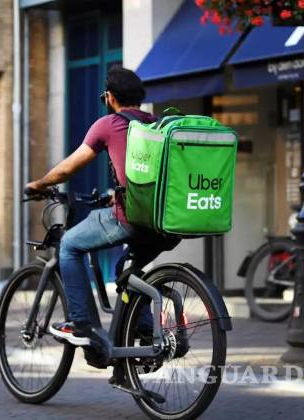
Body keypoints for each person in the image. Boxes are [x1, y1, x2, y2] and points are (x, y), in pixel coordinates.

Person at [25, 66, 180, 346]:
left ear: (109, 97)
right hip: (166, 223)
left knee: (70, 244)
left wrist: (40, 184)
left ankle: (81, 324)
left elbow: (67, 169)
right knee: (127, 273)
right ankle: (146, 333)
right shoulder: (158, 125)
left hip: (132, 220)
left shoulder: (109, 124)